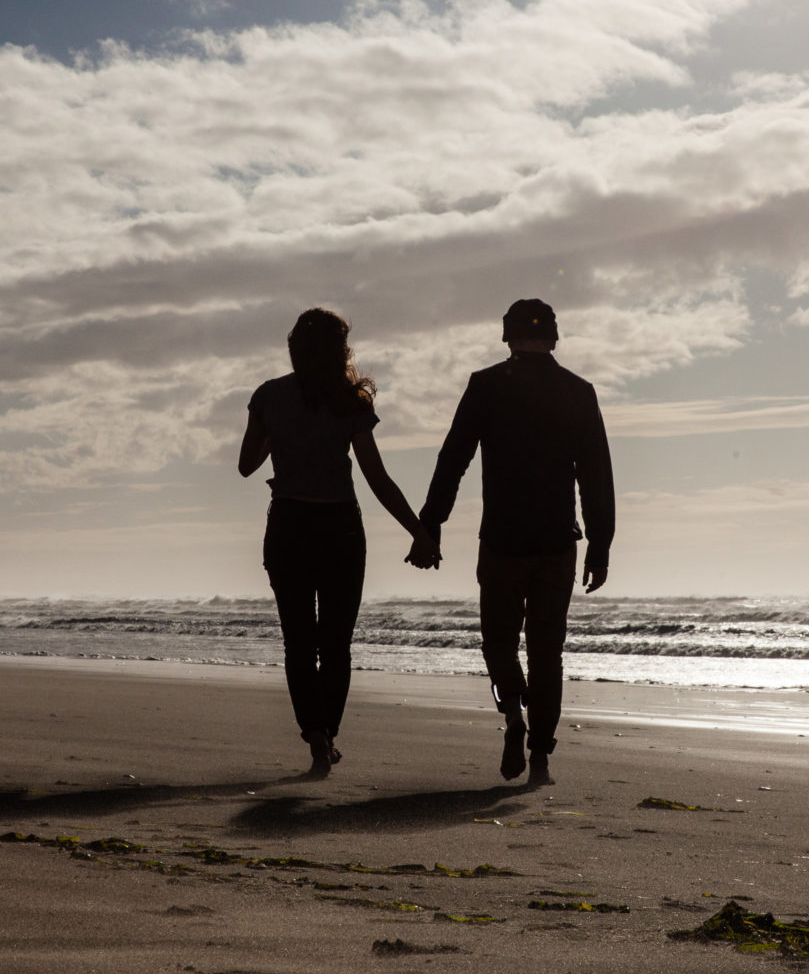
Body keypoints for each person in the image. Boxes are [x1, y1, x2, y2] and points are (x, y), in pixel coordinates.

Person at [410, 299, 613, 787]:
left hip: (501, 541)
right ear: (555, 339)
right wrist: (600, 543)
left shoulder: (487, 387)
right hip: (556, 544)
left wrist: (431, 523)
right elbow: (596, 475)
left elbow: (452, 458)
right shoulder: (577, 391)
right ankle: (540, 757)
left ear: (506, 337)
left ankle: (514, 713)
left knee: (499, 644)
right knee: (548, 651)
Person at [239, 308, 428, 778]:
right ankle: (329, 732)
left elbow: (246, 465)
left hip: (289, 525)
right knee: (336, 642)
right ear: (340, 349)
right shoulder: (350, 403)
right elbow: (377, 478)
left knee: (299, 641)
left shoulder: (269, 396)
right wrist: (418, 529)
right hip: (340, 528)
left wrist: (278, 433)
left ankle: (314, 733)